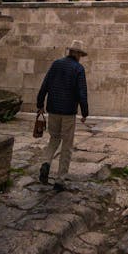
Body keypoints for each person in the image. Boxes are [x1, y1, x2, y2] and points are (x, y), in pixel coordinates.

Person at [37, 38, 89, 191]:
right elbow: (82, 93)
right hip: (68, 112)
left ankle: (46, 163)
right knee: (67, 145)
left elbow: (44, 85)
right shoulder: (78, 69)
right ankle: (60, 180)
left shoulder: (56, 64)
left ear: (69, 51)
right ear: (78, 54)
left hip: (53, 108)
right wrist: (85, 112)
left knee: (54, 138)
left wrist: (40, 104)